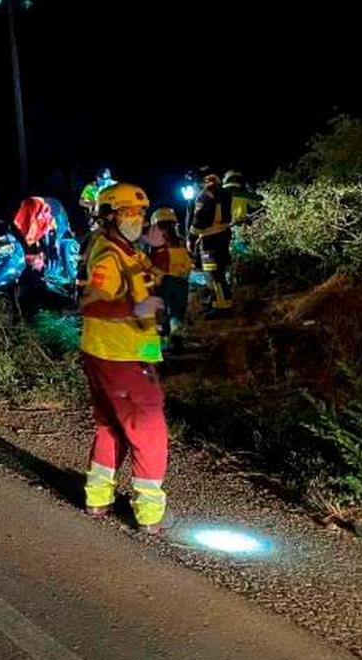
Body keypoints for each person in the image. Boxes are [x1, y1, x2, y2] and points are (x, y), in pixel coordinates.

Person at [79, 182, 172, 534]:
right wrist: (135, 307)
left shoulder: (126, 249)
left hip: (124, 351)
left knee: (111, 424)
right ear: (109, 215)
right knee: (149, 428)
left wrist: (160, 248)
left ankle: (98, 498)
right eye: (130, 212)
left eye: (141, 212)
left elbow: (158, 275)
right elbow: (91, 302)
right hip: (120, 355)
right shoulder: (108, 255)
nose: (138, 219)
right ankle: (149, 514)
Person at [145, 207, 194, 352]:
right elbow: (188, 263)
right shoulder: (181, 241)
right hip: (180, 282)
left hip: (162, 282)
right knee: (177, 313)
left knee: (161, 313)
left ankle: (163, 344)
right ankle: (177, 342)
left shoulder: (153, 245)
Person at [188, 171, 235, 317]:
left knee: (214, 275)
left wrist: (191, 236)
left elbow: (199, 220)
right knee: (217, 273)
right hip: (221, 236)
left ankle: (222, 308)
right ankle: (216, 302)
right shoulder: (225, 193)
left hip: (209, 240)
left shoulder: (205, 196)